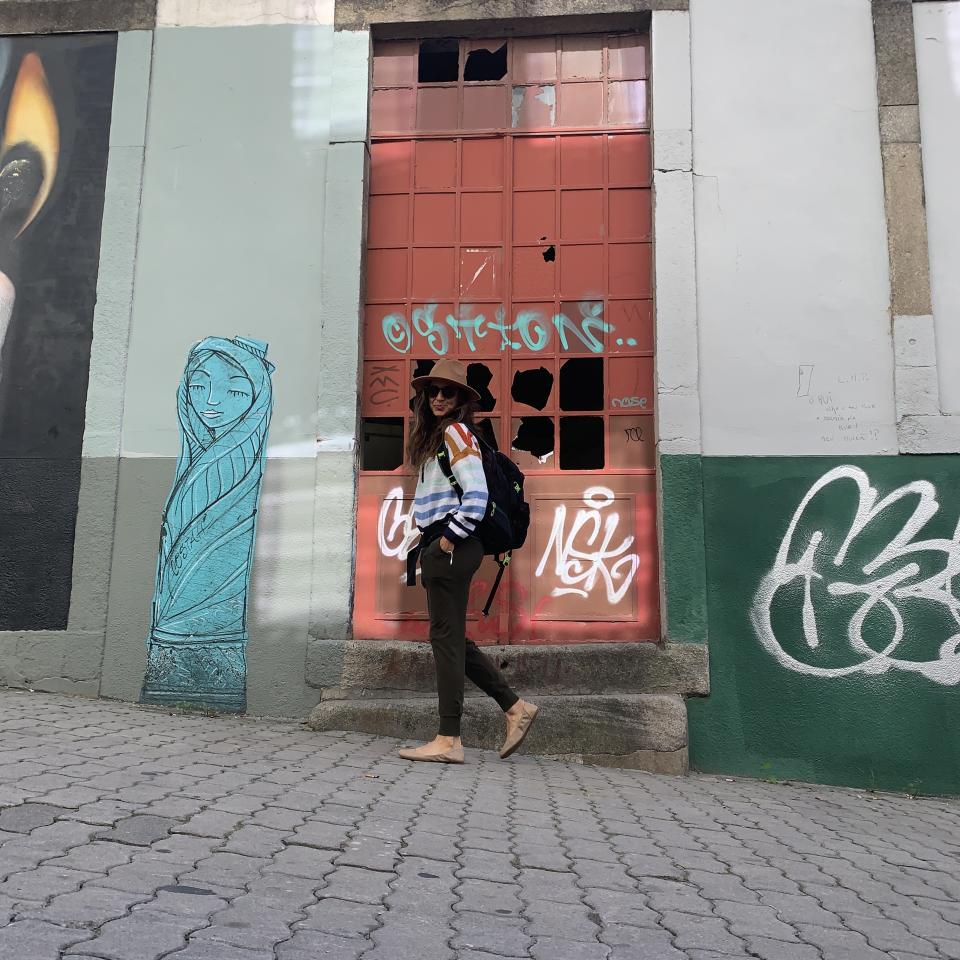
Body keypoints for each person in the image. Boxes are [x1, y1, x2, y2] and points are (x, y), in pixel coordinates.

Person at [399, 357, 538, 764]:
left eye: (449, 392)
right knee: (451, 637)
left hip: (454, 545)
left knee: (445, 638)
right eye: (432, 391)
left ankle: (449, 738)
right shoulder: (436, 437)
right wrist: (421, 537)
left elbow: (475, 497)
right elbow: (434, 498)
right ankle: (515, 708)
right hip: (443, 542)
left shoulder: (458, 434)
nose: (439, 397)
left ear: (461, 400)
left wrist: (444, 543)